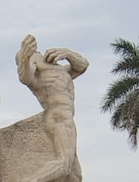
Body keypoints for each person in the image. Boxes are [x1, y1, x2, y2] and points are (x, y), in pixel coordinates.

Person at [16, 35, 87, 182]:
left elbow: (83, 65)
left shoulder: (60, 70)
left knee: (75, 176)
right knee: (63, 164)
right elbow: (25, 77)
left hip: (66, 117)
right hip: (58, 117)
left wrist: (67, 53)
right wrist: (24, 57)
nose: (38, 55)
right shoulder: (36, 72)